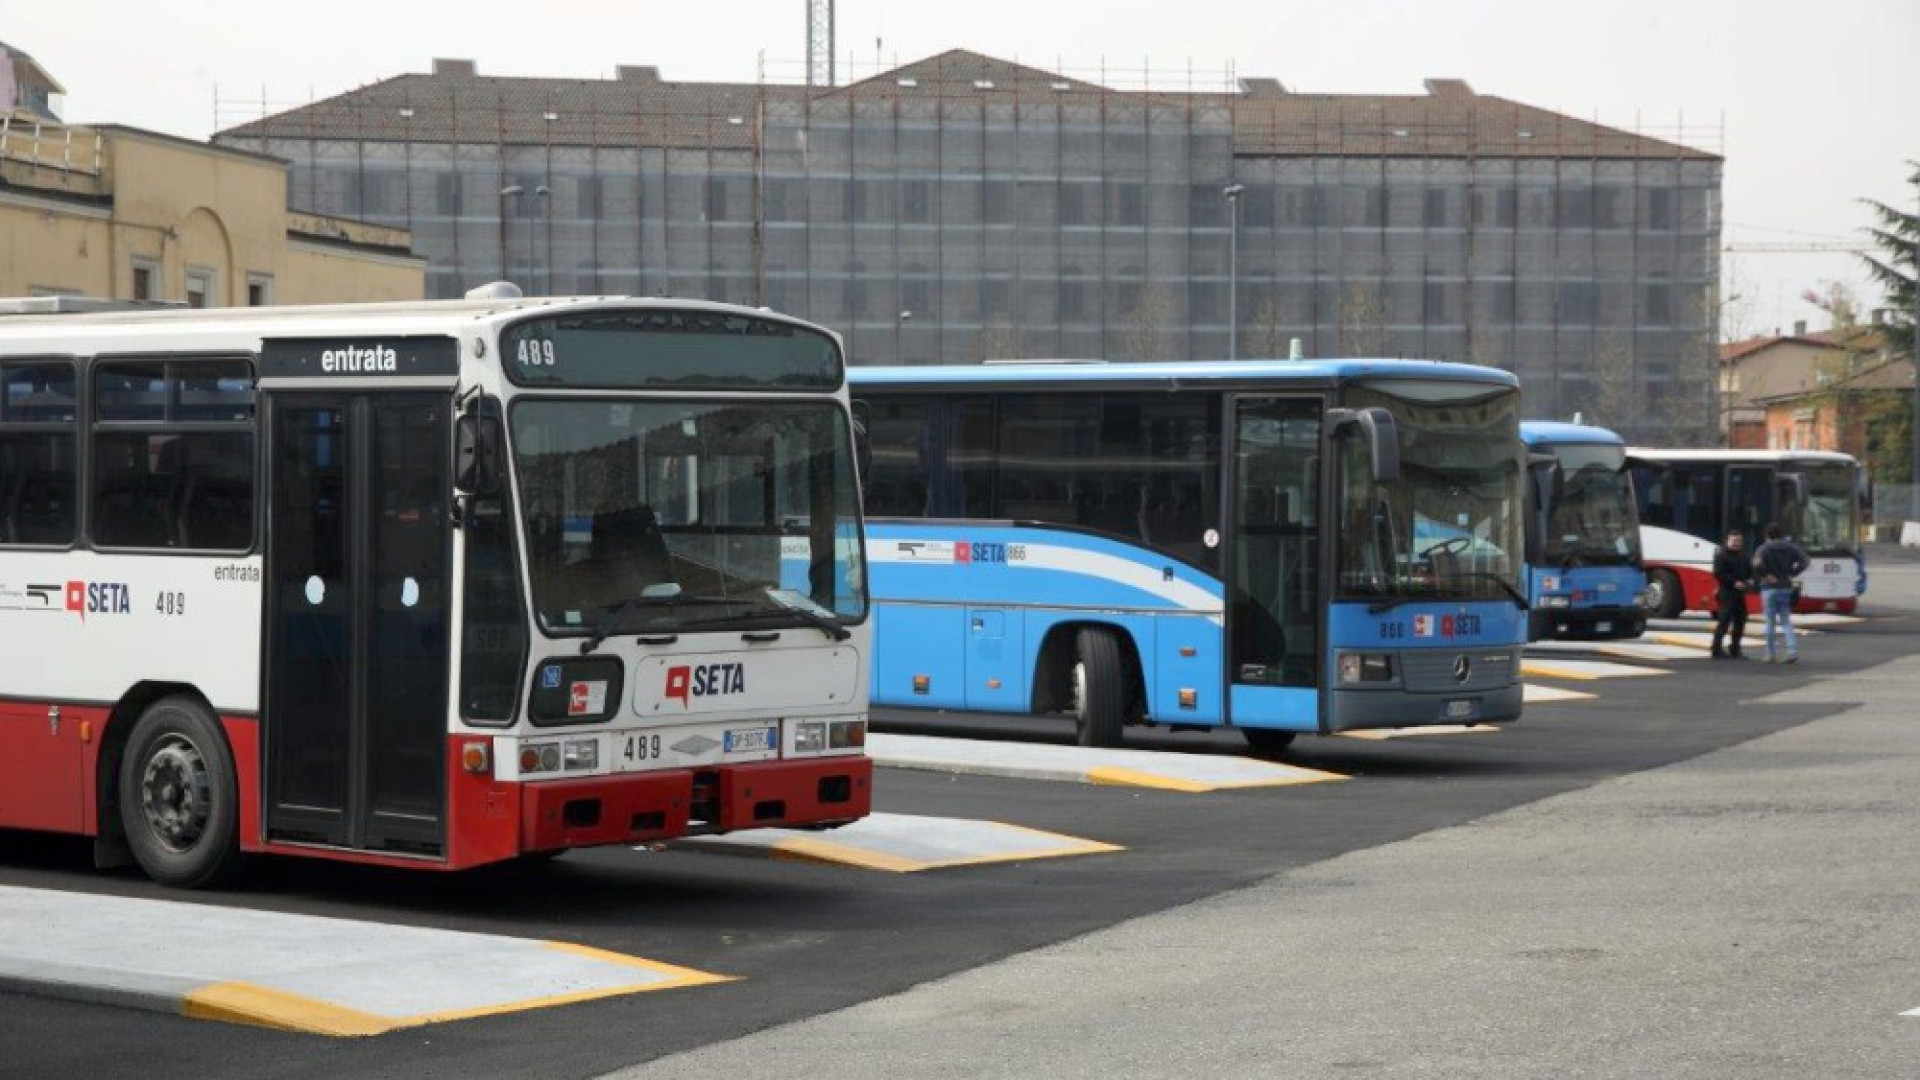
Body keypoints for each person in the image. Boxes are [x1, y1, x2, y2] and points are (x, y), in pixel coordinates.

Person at [1751, 522, 1811, 664]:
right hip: (1785, 586)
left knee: (1770, 622)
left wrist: (1766, 575)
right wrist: (1793, 573)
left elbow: (1756, 564)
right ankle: (1792, 651)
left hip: (1769, 588)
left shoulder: (1763, 548)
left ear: (1767, 535)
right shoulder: (1791, 547)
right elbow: (1806, 562)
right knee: (1785, 621)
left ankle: (1771, 653)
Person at [1709, 530, 1753, 659]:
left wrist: (1749, 580)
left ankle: (1735, 648)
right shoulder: (1721, 555)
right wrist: (1734, 582)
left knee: (1741, 620)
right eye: (1733, 541)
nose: (1736, 544)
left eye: (1739, 541)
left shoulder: (1743, 556)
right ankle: (1716, 649)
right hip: (1726, 592)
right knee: (1724, 620)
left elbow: (1748, 571)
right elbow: (1718, 573)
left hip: (1740, 593)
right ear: (1728, 541)